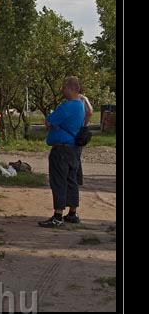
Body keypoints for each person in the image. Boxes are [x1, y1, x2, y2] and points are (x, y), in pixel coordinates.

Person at [39, 76, 86, 228]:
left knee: (58, 181)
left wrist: (53, 125)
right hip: (74, 149)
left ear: (71, 88)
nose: (62, 90)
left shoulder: (67, 106)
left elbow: (49, 121)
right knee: (71, 181)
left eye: (64, 88)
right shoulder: (80, 106)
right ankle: (72, 213)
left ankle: (57, 216)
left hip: (61, 149)